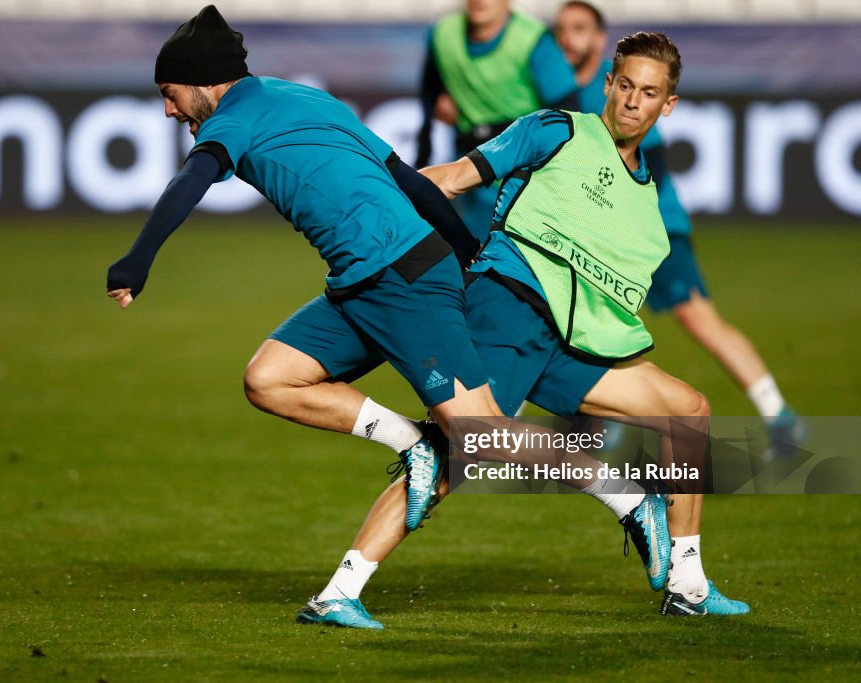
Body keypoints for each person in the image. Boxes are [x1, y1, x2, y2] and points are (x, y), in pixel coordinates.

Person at [105, 6, 655, 571]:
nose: (169, 109)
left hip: (401, 272)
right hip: (367, 278)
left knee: (481, 437)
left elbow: (191, 178)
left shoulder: (233, 119)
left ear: (204, 82)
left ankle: (628, 496)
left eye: (171, 93)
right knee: (269, 379)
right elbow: (408, 180)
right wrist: (465, 252)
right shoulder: (303, 96)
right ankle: (412, 443)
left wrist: (137, 259)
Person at [297, 32, 750, 630]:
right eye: (626, 87)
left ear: (668, 106)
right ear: (608, 86)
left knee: (688, 412)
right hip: (507, 309)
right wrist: (371, 202)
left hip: (572, 341)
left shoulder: (648, 205)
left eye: (650, 93)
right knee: (455, 455)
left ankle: (687, 583)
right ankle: (339, 591)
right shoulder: (556, 131)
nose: (634, 102)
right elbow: (456, 177)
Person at [554, 0, 807, 459]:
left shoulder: (622, 92)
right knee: (579, 315)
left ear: (598, 40)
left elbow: (641, 161)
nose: (567, 38)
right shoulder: (558, 91)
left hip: (653, 226)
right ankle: (596, 421)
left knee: (698, 319)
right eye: (561, 30)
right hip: (597, 228)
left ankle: (779, 416)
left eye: (579, 29)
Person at [416, 0, 580, 241]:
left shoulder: (534, 41)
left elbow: (569, 118)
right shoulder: (443, 34)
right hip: (465, 173)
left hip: (522, 184)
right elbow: (429, 99)